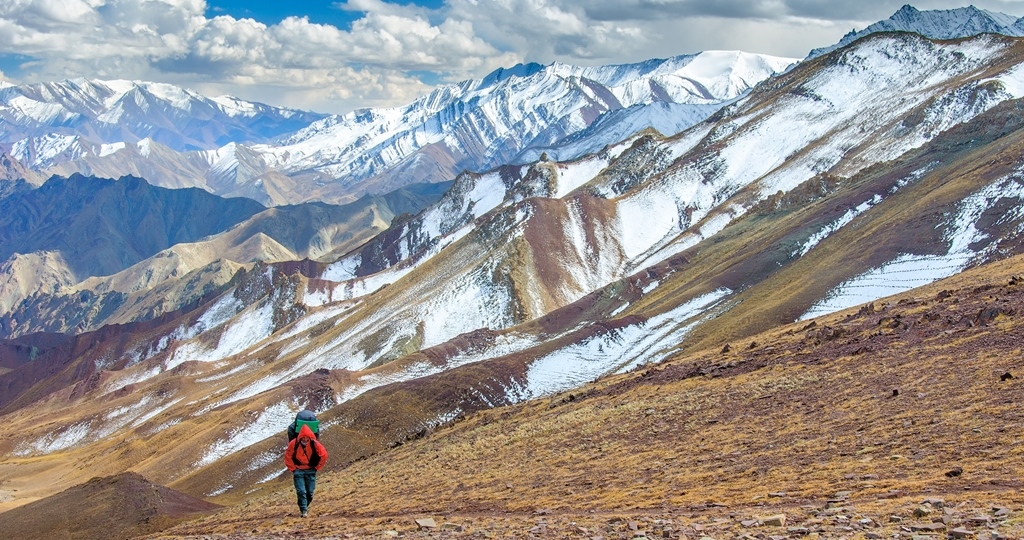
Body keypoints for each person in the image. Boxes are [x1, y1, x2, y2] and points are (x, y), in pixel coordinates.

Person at [284, 423, 328, 517]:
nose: (305, 439)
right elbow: (288, 456)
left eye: (307, 438)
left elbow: (324, 455)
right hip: (298, 471)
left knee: (310, 492)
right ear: (300, 437)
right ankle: (304, 510)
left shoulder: (314, 444)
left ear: (310, 437)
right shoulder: (294, 443)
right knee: (301, 491)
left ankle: (304, 506)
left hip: (311, 470)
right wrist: (293, 469)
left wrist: (317, 467)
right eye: (303, 438)